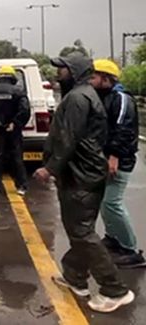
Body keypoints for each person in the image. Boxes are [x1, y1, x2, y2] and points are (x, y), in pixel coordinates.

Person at [33, 54, 134, 313]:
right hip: (82, 174)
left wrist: (49, 168)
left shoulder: (78, 98)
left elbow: (69, 139)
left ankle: (115, 289)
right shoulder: (83, 94)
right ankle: (75, 277)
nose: (58, 73)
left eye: (63, 69)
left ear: (75, 71)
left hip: (81, 176)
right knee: (79, 229)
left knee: (82, 232)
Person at [91, 59, 144, 268]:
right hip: (107, 157)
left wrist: (113, 156)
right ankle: (113, 238)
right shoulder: (105, 97)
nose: (91, 80)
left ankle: (131, 249)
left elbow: (123, 129)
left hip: (119, 159)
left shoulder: (121, 99)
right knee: (105, 201)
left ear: (106, 78)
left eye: (94, 76)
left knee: (112, 202)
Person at [0, 65, 30, 196]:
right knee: (16, 157)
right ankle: (22, 186)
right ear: (12, 77)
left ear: (0, 77)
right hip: (13, 130)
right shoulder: (18, 92)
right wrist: (16, 123)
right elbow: (25, 110)